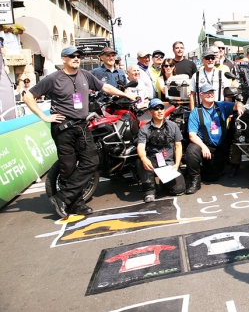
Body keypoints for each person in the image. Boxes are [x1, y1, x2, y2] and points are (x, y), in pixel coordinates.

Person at [23, 46, 136, 219]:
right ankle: (76, 203)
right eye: (72, 56)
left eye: (78, 56)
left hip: (82, 125)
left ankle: (62, 197)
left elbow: (105, 87)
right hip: (63, 126)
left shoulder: (85, 74)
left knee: (91, 162)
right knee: (68, 167)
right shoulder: (54, 78)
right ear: (64, 59)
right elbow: (28, 96)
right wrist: (44, 117)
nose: (76, 58)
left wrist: (126, 95)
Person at [184, 83, 245, 193]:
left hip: (220, 148)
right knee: (192, 150)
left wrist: (239, 105)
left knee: (212, 177)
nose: (210, 94)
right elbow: (192, 135)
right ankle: (195, 179)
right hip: (205, 146)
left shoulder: (221, 105)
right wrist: (203, 147)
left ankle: (212, 169)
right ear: (201, 95)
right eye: (207, 93)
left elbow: (236, 104)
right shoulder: (195, 112)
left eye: (212, 92)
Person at [135, 98, 185, 202]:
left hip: (169, 163)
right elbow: (140, 147)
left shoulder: (173, 125)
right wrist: (144, 158)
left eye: (161, 108)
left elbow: (178, 146)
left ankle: (164, 182)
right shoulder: (144, 129)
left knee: (179, 190)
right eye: (156, 108)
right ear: (150, 111)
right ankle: (149, 190)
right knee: (140, 160)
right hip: (153, 161)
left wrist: (177, 164)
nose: (160, 111)